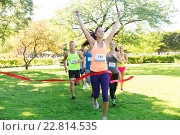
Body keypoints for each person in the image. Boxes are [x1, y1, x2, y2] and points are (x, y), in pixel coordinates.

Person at [76, 9, 121, 120]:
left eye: (102, 31)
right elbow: (84, 28)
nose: (101, 32)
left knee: (105, 94)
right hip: (94, 73)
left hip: (105, 72)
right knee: (96, 93)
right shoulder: (92, 43)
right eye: (99, 31)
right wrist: (78, 15)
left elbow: (113, 30)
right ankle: (95, 99)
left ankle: (104, 117)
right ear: (96, 34)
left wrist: (118, 18)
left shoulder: (106, 43)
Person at [107, 41, 122, 106]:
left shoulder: (117, 53)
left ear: (115, 46)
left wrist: (115, 57)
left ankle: (113, 96)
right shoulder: (107, 53)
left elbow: (121, 62)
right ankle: (113, 99)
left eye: (113, 44)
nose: (112, 45)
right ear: (109, 46)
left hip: (115, 72)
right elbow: (104, 61)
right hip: (108, 73)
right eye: (111, 44)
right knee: (111, 86)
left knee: (115, 86)